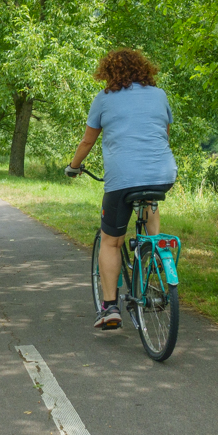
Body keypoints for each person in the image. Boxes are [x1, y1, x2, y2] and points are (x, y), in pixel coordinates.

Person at [65, 48, 177, 330]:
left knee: (111, 241)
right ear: (144, 69)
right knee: (150, 199)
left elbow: (87, 143)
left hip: (123, 178)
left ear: (109, 73)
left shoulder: (104, 100)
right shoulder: (160, 95)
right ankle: (155, 249)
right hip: (163, 173)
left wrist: (73, 166)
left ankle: (109, 307)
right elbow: (162, 134)